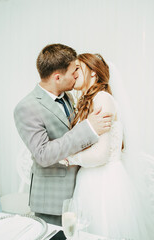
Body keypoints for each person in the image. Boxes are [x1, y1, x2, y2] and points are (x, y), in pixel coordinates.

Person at [14, 44, 113, 226]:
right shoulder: (26, 108)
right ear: (57, 77)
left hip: (82, 191)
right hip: (52, 200)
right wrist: (88, 128)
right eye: (74, 70)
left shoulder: (69, 96)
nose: (77, 74)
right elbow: (43, 155)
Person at [63, 53, 154, 239]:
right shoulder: (86, 101)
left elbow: (101, 155)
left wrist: (68, 158)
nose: (73, 72)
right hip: (88, 178)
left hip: (104, 182)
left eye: (78, 68)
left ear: (94, 73)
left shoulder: (102, 98)